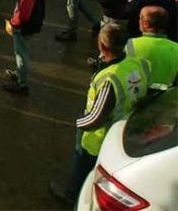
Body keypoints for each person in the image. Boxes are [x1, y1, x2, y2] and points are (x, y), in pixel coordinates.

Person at [49, 24, 149, 205]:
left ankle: (72, 195)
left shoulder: (110, 78)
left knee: (83, 167)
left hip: (99, 137)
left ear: (101, 45)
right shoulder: (137, 63)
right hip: (127, 127)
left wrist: (79, 122)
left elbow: (96, 118)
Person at [2, 0, 45, 95]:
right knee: (22, 52)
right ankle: (20, 74)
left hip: (24, 26)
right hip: (34, 22)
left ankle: (22, 84)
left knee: (21, 54)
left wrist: (13, 23)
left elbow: (23, 13)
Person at [125, 6, 178, 89]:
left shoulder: (129, 44)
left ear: (146, 24)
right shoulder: (176, 48)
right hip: (165, 99)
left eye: (140, 18)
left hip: (135, 96)